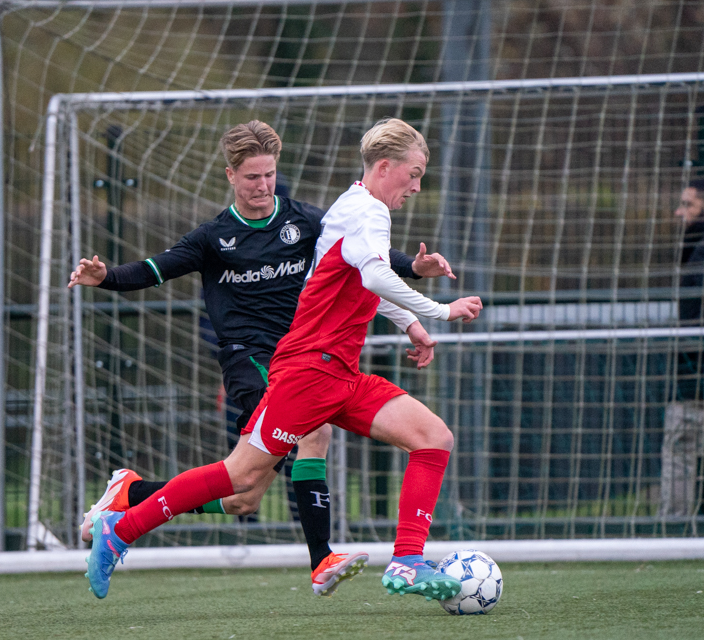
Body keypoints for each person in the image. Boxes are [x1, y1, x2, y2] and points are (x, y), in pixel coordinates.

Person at [83, 117, 483, 603]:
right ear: (385, 166)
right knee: (240, 482)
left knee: (433, 437)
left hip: (338, 373)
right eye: (415, 173)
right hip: (304, 371)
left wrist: (413, 325)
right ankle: (121, 529)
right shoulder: (364, 213)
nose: (418, 186)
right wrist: (439, 312)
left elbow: (364, 277)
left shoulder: (340, 210)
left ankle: (407, 561)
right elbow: (375, 275)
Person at [662, 177, 704, 517]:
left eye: (688, 206)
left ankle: (673, 527)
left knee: (680, 450)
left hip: (698, 378)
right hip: (698, 375)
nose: (679, 213)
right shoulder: (695, 250)